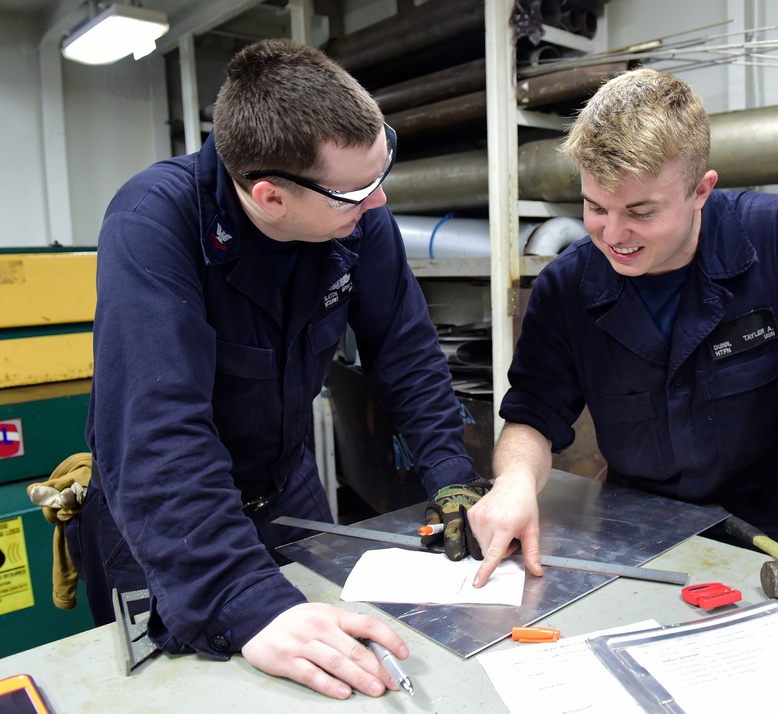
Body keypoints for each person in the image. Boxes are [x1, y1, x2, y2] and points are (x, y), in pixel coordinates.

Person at [466, 67, 778, 660]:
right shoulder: (567, 287)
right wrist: (515, 482)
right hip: (633, 544)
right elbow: (531, 415)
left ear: (702, 190)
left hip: (763, 546)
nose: (614, 234)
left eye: (641, 211)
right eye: (595, 207)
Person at [69, 39, 484, 700]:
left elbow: (405, 349)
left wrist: (454, 479)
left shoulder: (354, 216)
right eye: (354, 192)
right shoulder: (155, 223)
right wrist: (240, 594)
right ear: (269, 197)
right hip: (167, 518)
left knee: (337, 668)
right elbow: (156, 432)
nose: (378, 205)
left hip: (286, 494)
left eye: (383, 171)